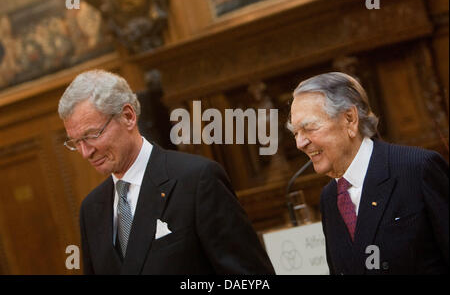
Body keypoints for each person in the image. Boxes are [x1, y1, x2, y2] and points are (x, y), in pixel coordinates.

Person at [58, 69, 275, 274]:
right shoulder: (92, 209)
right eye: (76, 142)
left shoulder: (197, 180)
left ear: (128, 117)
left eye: (92, 135)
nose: (86, 152)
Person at [288, 72, 449, 274]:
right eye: (295, 133)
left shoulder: (418, 168)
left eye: (309, 127)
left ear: (350, 119)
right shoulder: (329, 198)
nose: (300, 143)